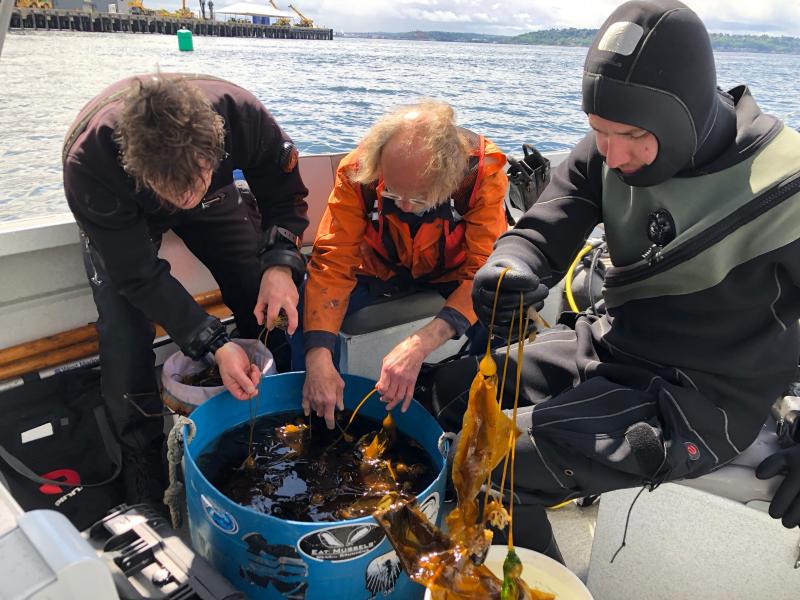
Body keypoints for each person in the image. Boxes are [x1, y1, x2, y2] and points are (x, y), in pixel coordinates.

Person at [438, 0, 800, 560]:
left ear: (691, 113)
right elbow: (542, 228)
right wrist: (507, 269)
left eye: (631, 133)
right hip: (611, 345)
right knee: (444, 393)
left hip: (701, 397)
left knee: (492, 458)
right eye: (597, 131)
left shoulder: (787, 186)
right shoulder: (607, 147)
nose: (612, 152)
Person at [62, 74, 309, 505]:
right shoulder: (91, 166)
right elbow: (138, 274)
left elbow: (285, 196)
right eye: (174, 194)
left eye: (190, 186)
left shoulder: (241, 116)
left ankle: (275, 415)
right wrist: (214, 343)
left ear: (218, 147)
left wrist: (281, 265)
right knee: (123, 330)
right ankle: (142, 461)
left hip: (216, 192)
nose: (183, 202)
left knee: (258, 286)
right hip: (127, 204)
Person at [294, 100, 509, 429]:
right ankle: (312, 415)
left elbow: (484, 270)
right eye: (393, 193)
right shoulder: (360, 170)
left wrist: (420, 344)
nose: (406, 205)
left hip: (454, 272)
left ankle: (463, 411)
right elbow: (333, 261)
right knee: (303, 317)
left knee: (503, 315)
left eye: (420, 197)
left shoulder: (482, 175)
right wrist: (318, 353)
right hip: (381, 266)